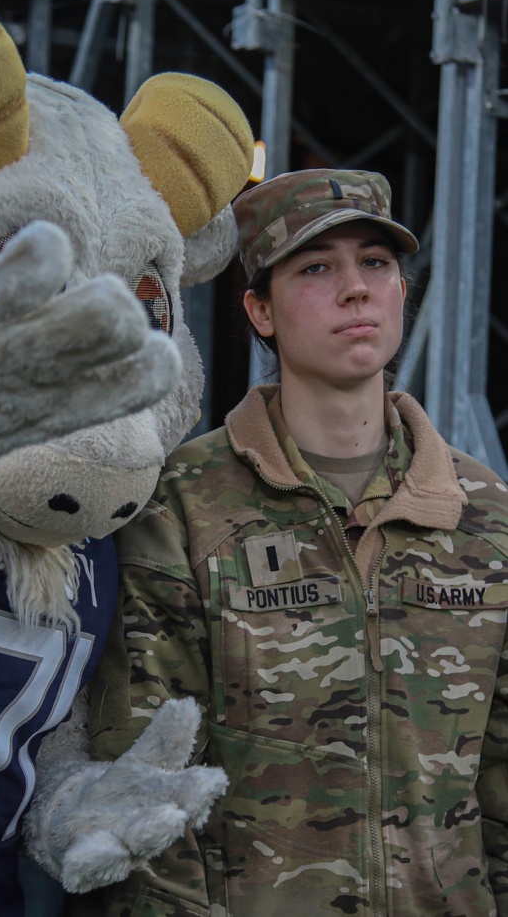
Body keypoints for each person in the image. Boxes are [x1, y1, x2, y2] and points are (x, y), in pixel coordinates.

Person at [76, 168, 508, 916]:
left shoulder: (482, 512)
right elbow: (144, 779)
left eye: (375, 263)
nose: (355, 289)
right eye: (316, 268)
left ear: (401, 292)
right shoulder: (182, 503)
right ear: (259, 310)